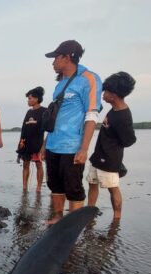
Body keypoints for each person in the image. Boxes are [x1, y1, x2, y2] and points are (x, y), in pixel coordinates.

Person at [43, 40, 102, 224]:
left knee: (73, 187)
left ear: (67, 57)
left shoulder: (89, 79)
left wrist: (84, 149)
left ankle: (72, 225)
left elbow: (91, 115)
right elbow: (54, 117)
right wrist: (44, 144)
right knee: (55, 184)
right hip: (53, 143)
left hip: (72, 146)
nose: (53, 62)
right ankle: (59, 217)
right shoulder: (60, 84)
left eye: (55, 58)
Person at [87, 72, 137, 220]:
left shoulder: (123, 116)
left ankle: (117, 218)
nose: (103, 94)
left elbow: (129, 140)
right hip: (98, 156)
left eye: (106, 92)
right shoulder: (113, 109)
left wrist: (112, 148)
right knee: (92, 183)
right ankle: (89, 212)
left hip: (109, 160)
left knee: (113, 188)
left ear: (113, 95)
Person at [17, 87, 47, 192]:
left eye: (30, 98)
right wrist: (21, 143)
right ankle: (24, 187)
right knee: (25, 164)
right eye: (28, 98)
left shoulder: (44, 111)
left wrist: (44, 147)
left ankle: (38, 188)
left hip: (38, 144)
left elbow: (48, 128)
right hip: (26, 143)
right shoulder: (28, 112)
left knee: (39, 165)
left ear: (36, 98)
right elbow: (23, 129)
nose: (28, 100)